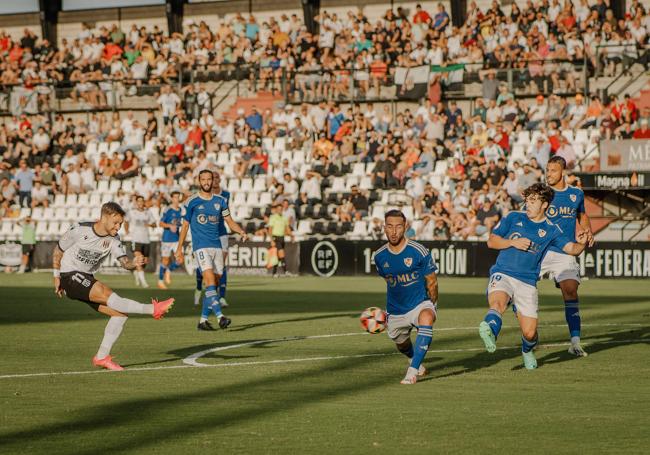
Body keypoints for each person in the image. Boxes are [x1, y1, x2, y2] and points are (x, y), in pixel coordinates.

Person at [478, 183, 589, 370]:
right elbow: (492, 241)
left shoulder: (552, 229)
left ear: (544, 204)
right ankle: (489, 330)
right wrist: (512, 242)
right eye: (527, 200)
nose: (527, 204)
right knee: (497, 304)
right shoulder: (513, 217)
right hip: (503, 272)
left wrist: (582, 243)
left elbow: (572, 249)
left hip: (527, 282)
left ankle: (527, 350)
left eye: (532, 201)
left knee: (530, 334)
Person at [52, 202, 174, 371]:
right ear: (104, 218)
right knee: (106, 293)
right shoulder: (80, 230)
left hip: (85, 277)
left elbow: (125, 263)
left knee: (119, 315)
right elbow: (58, 251)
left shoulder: (114, 240)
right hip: (69, 275)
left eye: (121, 224)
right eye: (115, 223)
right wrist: (56, 277)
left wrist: (133, 263)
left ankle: (101, 357)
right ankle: (152, 309)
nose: (118, 227)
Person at [175, 170, 248, 331]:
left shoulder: (221, 201)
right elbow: (185, 225)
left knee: (213, 284)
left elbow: (229, 221)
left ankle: (203, 321)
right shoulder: (191, 201)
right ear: (199, 181)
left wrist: (241, 231)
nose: (207, 182)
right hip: (201, 247)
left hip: (217, 246)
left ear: (213, 180)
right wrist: (179, 248)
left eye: (209, 179)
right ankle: (221, 317)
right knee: (209, 280)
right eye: (204, 179)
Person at [374, 209, 439, 385]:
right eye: (389, 227)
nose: (394, 231)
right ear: (384, 228)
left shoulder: (418, 250)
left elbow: (432, 281)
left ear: (405, 227)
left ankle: (412, 372)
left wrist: (432, 304)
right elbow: (388, 280)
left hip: (420, 303)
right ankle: (413, 359)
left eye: (398, 227)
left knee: (426, 318)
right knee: (402, 344)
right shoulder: (379, 256)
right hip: (395, 310)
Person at [541, 156, 594, 356]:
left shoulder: (575, 194)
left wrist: (587, 232)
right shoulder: (542, 193)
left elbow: (582, 215)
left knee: (571, 291)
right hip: (542, 250)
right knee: (520, 286)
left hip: (565, 251)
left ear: (562, 172)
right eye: (547, 170)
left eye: (553, 170)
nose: (549, 174)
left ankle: (575, 342)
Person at [194, 171, 232, 307]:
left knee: (221, 267)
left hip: (221, 233)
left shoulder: (226, 195)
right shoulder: (203, 195)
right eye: (212, 178)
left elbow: (227, 214)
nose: (213, 180)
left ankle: (220, 296)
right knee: (205, 267)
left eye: (216, 178)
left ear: (219, 179)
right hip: (206, 235)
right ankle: (199, 287)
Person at [124, 195, 156, 288]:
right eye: (139, 201)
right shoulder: (132, 212)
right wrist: (127, 231)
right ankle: (144, 283)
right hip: (136, 239)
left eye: (142, 201)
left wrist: (150, 225)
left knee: (145, 262)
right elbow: (126, 221)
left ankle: (136, 272)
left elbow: (154, 224)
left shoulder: (148, 212)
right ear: (136, 203)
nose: (140, 203)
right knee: (139, 259)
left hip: (146, 239)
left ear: (144, 202)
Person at [158, 191, 183, 290]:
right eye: (175, 197)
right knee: (165, 260)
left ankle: (168, 271)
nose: (177, 199)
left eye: (178, 197)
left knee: (180, 260)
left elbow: (179, 223)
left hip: (176, 239)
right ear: (172, 199)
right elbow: (160, 223)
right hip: (167, 239)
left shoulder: (180, 210)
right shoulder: (167, 210)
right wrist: (169, 226)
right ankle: (160, 281)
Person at [267, 203, 292, 277]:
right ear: (276, 210)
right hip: (276, 238)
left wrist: (291, 235)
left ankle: (274, 273)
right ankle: (285, 271)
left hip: (282, 238)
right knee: (281, 254)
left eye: (281, 209)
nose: (280, 211)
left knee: (277, 257)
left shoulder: (284, 218)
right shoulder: (273, 217)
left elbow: (287, 228)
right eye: (278, 209)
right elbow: (270, 230)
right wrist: (271, 240)